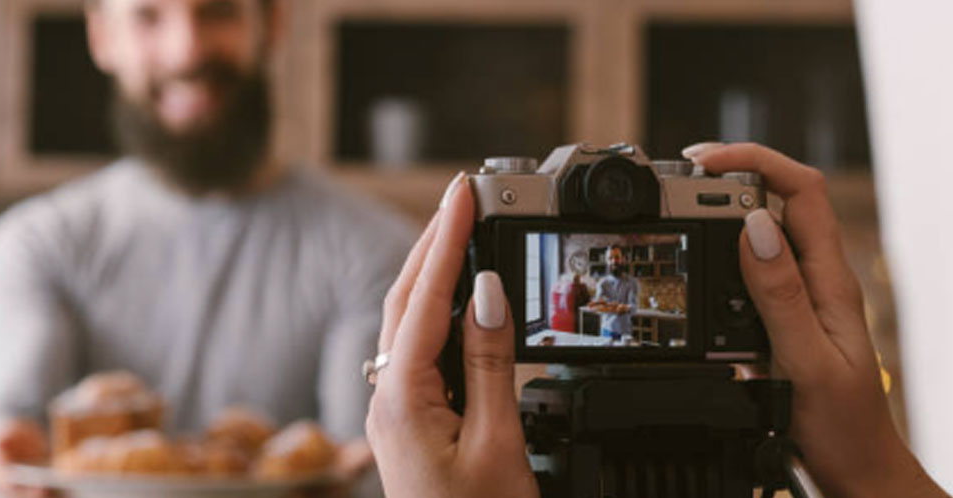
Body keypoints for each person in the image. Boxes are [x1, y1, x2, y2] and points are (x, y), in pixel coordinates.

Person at [0, 0, 413, 496]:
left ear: (273, 19)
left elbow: (365, 464)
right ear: (102, 35)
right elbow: (7, 422)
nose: (185, 51)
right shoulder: (36, 245)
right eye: (147, 16)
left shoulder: (376, 253)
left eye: (217, 11)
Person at [366, 143, 950, 498]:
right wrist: (878, 479)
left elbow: (627, 306)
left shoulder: (614, 284)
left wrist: (876, 477)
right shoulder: (589, 286)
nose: (612, 256)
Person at [594, 245, 639, 342]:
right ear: (606, 261)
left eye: (617, 257)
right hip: (607, 331)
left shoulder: (632, 282)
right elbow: (598, 309)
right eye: (610, 258)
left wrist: (626, 308)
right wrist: (600, 305)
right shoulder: (602, 284)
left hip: (625, 333)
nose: (614, 261)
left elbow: (634, 308)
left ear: (622, 259)